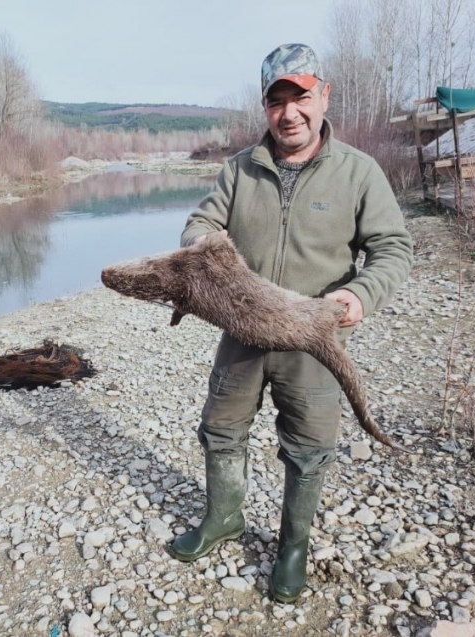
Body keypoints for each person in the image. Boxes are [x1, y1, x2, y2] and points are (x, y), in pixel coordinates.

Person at [171, 43, 413, 603]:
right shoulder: (239, 169)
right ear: (266, 108)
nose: (289, 112)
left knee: (309, 448)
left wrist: (359, 295)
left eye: (300, 97)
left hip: (313, 336)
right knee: (220, 430)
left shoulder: (359, 172)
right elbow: (200, 221)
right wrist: (204, 247)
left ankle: (293, 546)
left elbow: (393, 249)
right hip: (243, 329)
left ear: (323, 97)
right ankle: (224, 518)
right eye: (276, 100)